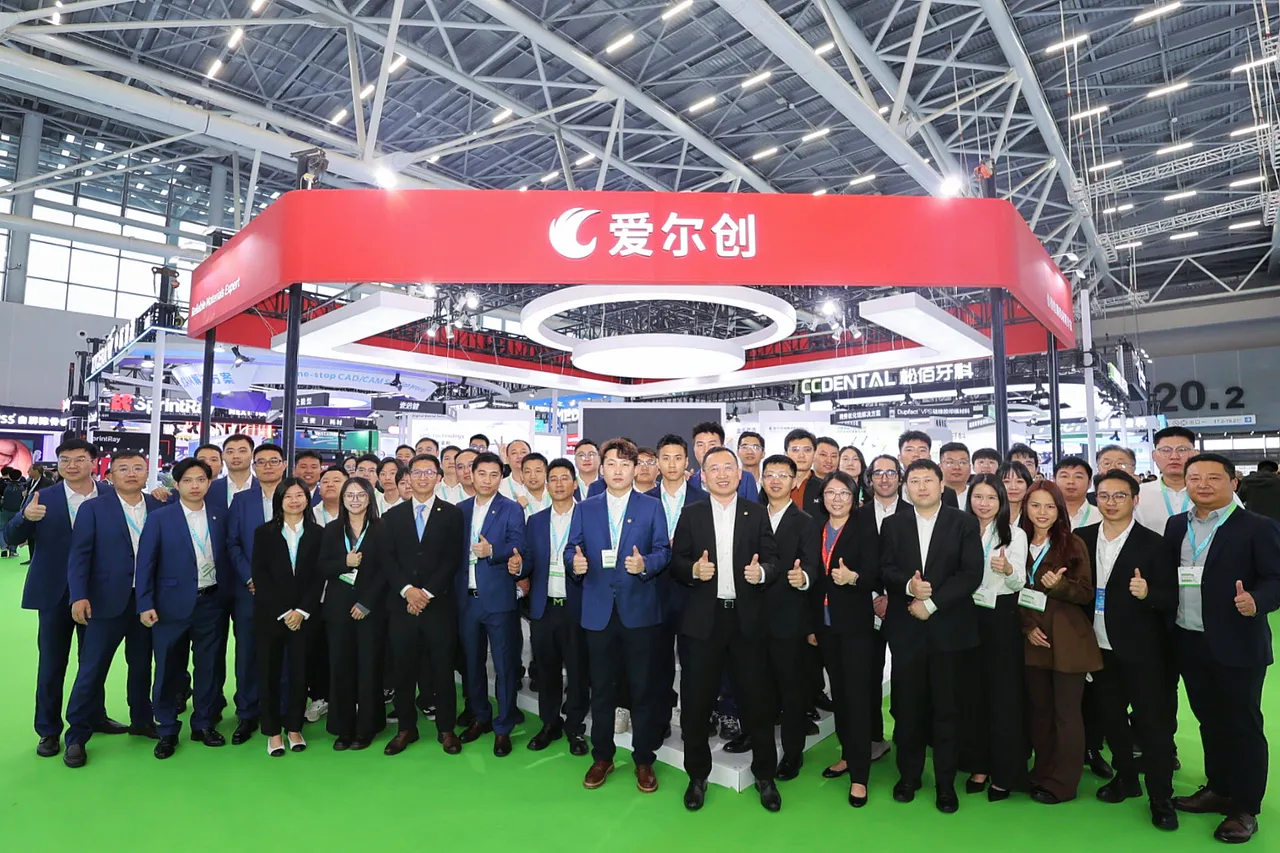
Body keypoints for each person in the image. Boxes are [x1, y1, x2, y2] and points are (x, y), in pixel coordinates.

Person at [1166, 453, 1280, 843]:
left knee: (1242, 725)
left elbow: (1276, 577)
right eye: (1195, 478)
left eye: (1214, 478)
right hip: (1188, 638)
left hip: (1237, 642)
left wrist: (1257, 601)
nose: (1203, 484)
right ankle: (1219, 788)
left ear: (1234, 483)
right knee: (1209, 720)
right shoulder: (1176, 525)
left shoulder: (1257, 527)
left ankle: (1245, 807)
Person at [670, 446, 781, 812]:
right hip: (703, 621)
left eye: (727, 468)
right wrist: (692, 571)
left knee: (757, 701)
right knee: (697, 703)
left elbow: (773, 559)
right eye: (713, 469)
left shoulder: (757, 512)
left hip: (747, 621)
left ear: (739, 474)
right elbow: (677, 562)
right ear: (703, 477)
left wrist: (761, 572)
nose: (721, 474)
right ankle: (696, 776)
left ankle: (765, 775)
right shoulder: (691, 513)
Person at [5, 437, 125, 759]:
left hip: (98, 593)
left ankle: (94, 716)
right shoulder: (43, 496)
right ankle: (48, 730)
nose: (72, 465)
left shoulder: (111, 495)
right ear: (57, 464)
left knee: (93, 662)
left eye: (79, 459)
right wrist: (26, 517)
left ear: (93, 463)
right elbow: (11, 535)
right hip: (54, 593)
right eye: (65, 460)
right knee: (51, 664)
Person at [1074, 469, 1179, 831]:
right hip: (1097, 646)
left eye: (1120, 496)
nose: (1111, 502)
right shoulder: (1082, 538)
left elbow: (1171, 597)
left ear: (1135, 500)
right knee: (1111, 718)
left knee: (1153, 726)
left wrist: (1148, 594)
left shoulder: (1155, 544)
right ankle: (1126, 777)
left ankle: (1161, 797)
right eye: (1104, 495)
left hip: (1144, 651)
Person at [567, 437, 671, 794]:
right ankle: (603, 756)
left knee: (642, 688)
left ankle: (643, 759)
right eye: (611, 463)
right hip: (598, 612)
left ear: (635, 469)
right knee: (601, 690)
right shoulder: (586, 508)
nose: (617, 470)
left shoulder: (651, 507)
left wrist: (646, 564)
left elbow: (663, 551)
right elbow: (572, 549)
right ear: (602, 468)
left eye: (625, 464)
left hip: (639, 611)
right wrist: (575, 563)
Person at [881, 458, 983, 813]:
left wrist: (932, 603)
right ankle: (908, 776)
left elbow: (971, 574)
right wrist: (909, 587)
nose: (921, 486)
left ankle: (945, 784)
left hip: (950, 631)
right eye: (914, 481)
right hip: (907, 631)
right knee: (908, 708)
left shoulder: (964, 523)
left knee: (947, 709)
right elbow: (885, 568)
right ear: (905, 487)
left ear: (942, 485)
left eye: (928, 480)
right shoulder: (893, 524)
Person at [62, 450, 162, 767]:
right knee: (92, 669)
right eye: (123, 469)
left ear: (147, 473)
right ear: (111, 475)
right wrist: (79, 595)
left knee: (142, 664)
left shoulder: (160, 506)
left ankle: (142, 720)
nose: (131, 473)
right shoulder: (93, 509)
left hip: (147, 601)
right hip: (105, 601)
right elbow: (80, 555)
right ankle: (76, 736)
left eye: (138, 468)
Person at [136, 458, 233, 759]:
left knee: (209, 667)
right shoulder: (160, 518)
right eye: (188, 480)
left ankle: (203, 723)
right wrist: (145, 603)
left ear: (209, 483)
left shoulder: (220, 515)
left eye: (201, 479)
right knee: (168, 669)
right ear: (176, 484)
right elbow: (146, 563)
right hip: (169, 606)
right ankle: (167, 729)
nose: (195, 486)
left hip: (212, 603)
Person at [1018, 481, 1101, 805]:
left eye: (1050, 506)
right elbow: (1009, 590)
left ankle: (1064, 783)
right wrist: (1026, 626)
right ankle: (1042, 772)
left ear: (1059, 510)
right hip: (1032, 639)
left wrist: (1060, 585)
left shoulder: (1072, 543)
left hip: (1067, 641)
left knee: (1066, 714)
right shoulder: (1016, 541)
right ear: (1025, 507)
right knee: (1040, 713)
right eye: (1035, 505)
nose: (1042, 513)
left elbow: (1086, 592)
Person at [381, 453, 466, 757]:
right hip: (402, 605)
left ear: (439, 478)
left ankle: (446, 728)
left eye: (429, 472)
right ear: (407, 477)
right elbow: (387, 559)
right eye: (417, 472)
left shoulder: (452, 514)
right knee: (403, 668)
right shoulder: (392, 516)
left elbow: (452, 559)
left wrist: (425, 593)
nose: (422, 478)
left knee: (442, 668)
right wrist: (408, 591)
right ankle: (406, 728)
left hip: (438, 605)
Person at [813, 469, 881, 807]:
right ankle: (847, 755)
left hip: (855, 626)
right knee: (839, 695)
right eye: (830, 493)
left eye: (843, 493)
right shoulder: (817, 528)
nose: (836, 499)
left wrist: (853, 578)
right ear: (822, 497)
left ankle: (860, 776)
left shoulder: (865, 528)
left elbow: (877, 574)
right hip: (826, 626)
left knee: (856, 698)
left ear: (854, 498)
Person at [958, 474, 1028, 801]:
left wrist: (1008, 571)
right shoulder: (961, 530)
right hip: (966, 616)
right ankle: (978, 765)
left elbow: (1020, 582)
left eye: (990, 498)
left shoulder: (1015, 534)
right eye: (978, 497)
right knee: (971, 696)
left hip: (1001, 618)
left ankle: (1004, 772)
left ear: (1001, 501)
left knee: (1003, 698)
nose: (983, 504)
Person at [456, 451, 527, 756]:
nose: (487, 480)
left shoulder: (511, 509)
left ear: (501, 477)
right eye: (482, 474)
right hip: (466, 600)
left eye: (494, 475)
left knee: (504, 666)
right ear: (471, 475)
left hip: (498, 599)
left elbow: (519, 544)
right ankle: (480, 717)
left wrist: (492, 551)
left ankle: (503, 726)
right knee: (471, 665)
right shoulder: (460, 510)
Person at [519, 457, 589, 756]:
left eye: (564, 478)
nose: (559, 484)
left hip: (577, 607)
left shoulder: (589, 517)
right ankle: (549, 723)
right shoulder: (535, 521)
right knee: (546, 670)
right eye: (554, 479)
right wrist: (518, 565)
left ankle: (575, 727)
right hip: (543, 607)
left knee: (578, 671)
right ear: (547, 486)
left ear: (574, 483)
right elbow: (528, 561)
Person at [758, 454, 820, 781]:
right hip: (752, 619)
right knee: (757, 688)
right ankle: (758, 743)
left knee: (792, 691)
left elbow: (812, 565)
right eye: (770, 474)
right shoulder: (751, 515)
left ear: (794, 481)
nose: (776, 480)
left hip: (789, 619)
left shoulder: (805, 521)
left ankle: (793, 753)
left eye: (783, 475)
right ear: (762, 479)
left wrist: (803, 578)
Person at [252, 478, 323, 757]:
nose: (294, 501)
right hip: (271, 615)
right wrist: (284, 612)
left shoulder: (318, 533)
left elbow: (319, 577)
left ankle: (294, 727)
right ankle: (272, 731)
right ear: (279, 500)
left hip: (305, 617)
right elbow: (261, 576)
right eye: (288, 496)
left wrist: (302, 611)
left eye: (299, 495)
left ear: (307, 499)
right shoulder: (264, 533)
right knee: (269, 673)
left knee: (299, 673)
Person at [226, 441, 290, 745]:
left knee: (286, 653)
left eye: (273, 461)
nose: (267, 466)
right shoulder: (242, 500)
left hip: (289, 592)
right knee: (248, 653)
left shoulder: (295, 494)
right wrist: (251, 577)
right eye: (261, 462)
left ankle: (284, 711)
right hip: (250, 591)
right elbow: (233, 544)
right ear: (254, 467)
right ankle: (247, 712)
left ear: (284, 465)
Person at [320, 476, 386, 751]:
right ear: (343, 499)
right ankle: (343, 728)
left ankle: (367, 728)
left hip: (371, 609)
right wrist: (344, 563)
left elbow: (387, 571)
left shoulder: (382, 528)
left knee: (369, 668)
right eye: (350, 495)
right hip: (338, 609)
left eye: (361, 495)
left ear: (370, 498)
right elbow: (322, 567)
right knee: (340, 668)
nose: (355, 500)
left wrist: (367, 603)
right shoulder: (332, 529)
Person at [649, 433, 709, 734]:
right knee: (657, 662)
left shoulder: (704, 500)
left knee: (694, 665)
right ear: (657, 463)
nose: (672, 464)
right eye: (666, 458)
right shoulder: (644, 500)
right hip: (655, 592)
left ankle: (691, 723)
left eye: (677, 458)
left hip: (693, 593)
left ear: (687, 461)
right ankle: (659, 721)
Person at [690, 422, 758, 501]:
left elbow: (753, 507)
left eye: (712, 444)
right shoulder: (689, 481)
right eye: (700, 445)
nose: (706, 450)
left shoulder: (746, 478)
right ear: (694, 448)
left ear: (722, 447)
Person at [898, 431, 959, 508]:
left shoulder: (948, 493)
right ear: (899, 457)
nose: (916, 455)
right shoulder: (893, 490)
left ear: (929, 457)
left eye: (922, 450)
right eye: (909, 450)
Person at [783, 429, 826, 518]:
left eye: (807, 450)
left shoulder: (825, 487)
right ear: (786, 454)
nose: (801, 455)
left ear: (815, 454)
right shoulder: (775, 485)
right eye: (795, 450)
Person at [1054, 456, 1097, 529]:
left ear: (1089, 483)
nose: (1071, 481)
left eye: (1078, 477)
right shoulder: (1044, 515)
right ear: (1054, 480)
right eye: (1064, 476)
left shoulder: (1101, 516)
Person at [517, 452, 553, 518]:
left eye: (538, 471)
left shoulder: (557, 494)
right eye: (528, 472)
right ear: (521, 475)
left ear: (546, 473)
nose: (533, 476)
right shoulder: (516, 500)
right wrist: (517, 509)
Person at [1, 465, 25, 558]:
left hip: (4, 509)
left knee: (2, 528)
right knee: (16, 529)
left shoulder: (3, 485)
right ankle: (13, 550)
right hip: (18, 511)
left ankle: (4, 546)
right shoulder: (23, 486)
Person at [999, 460, 1034, 525]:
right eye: (1006, 481)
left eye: (1019, 481)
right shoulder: (990, 515)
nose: (1013, 487)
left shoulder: (1034, 516)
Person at [940, 442, 972, 510]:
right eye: (950, 462)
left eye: (962, 462)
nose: (957, 467)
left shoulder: (976, 493)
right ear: (940, 467)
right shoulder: (932, 494)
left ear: (970, 467)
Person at [498, 439, 532, 503]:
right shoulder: (499, 486)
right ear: (507, 459)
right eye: (514, 453)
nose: (519, 456)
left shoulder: (542, 484)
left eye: (523, 452)